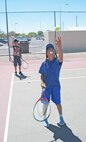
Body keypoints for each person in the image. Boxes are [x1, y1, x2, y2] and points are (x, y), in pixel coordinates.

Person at [39, 37, 65, 127]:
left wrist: (59, 46)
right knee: (45, 104)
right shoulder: (44, 64)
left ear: (54, 52)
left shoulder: (57, 62)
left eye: (52, 49)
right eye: (48, 49)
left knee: (58, 103)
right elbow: (42, 75)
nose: (51, 50)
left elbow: (61, 57)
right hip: (46, 88)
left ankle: (61, 117)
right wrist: (42, 82)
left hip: (56, 87)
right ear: (46, 53)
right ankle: (45, 118)